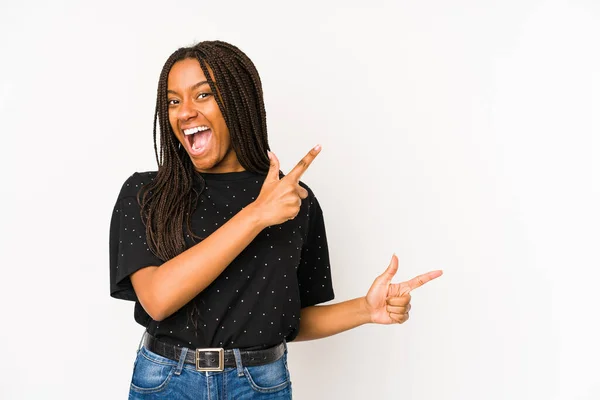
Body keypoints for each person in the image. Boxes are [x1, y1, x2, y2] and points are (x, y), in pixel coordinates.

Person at [109, 40, 442, 399]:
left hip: (258, 385)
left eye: (202, 95)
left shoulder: (292, 201)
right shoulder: (145, 193)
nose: (185, 111)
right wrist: (255, 216)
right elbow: (158, 300)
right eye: (174, 101)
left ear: (239, 102)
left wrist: (365, 308)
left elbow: (288, 321)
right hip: (166, 383)